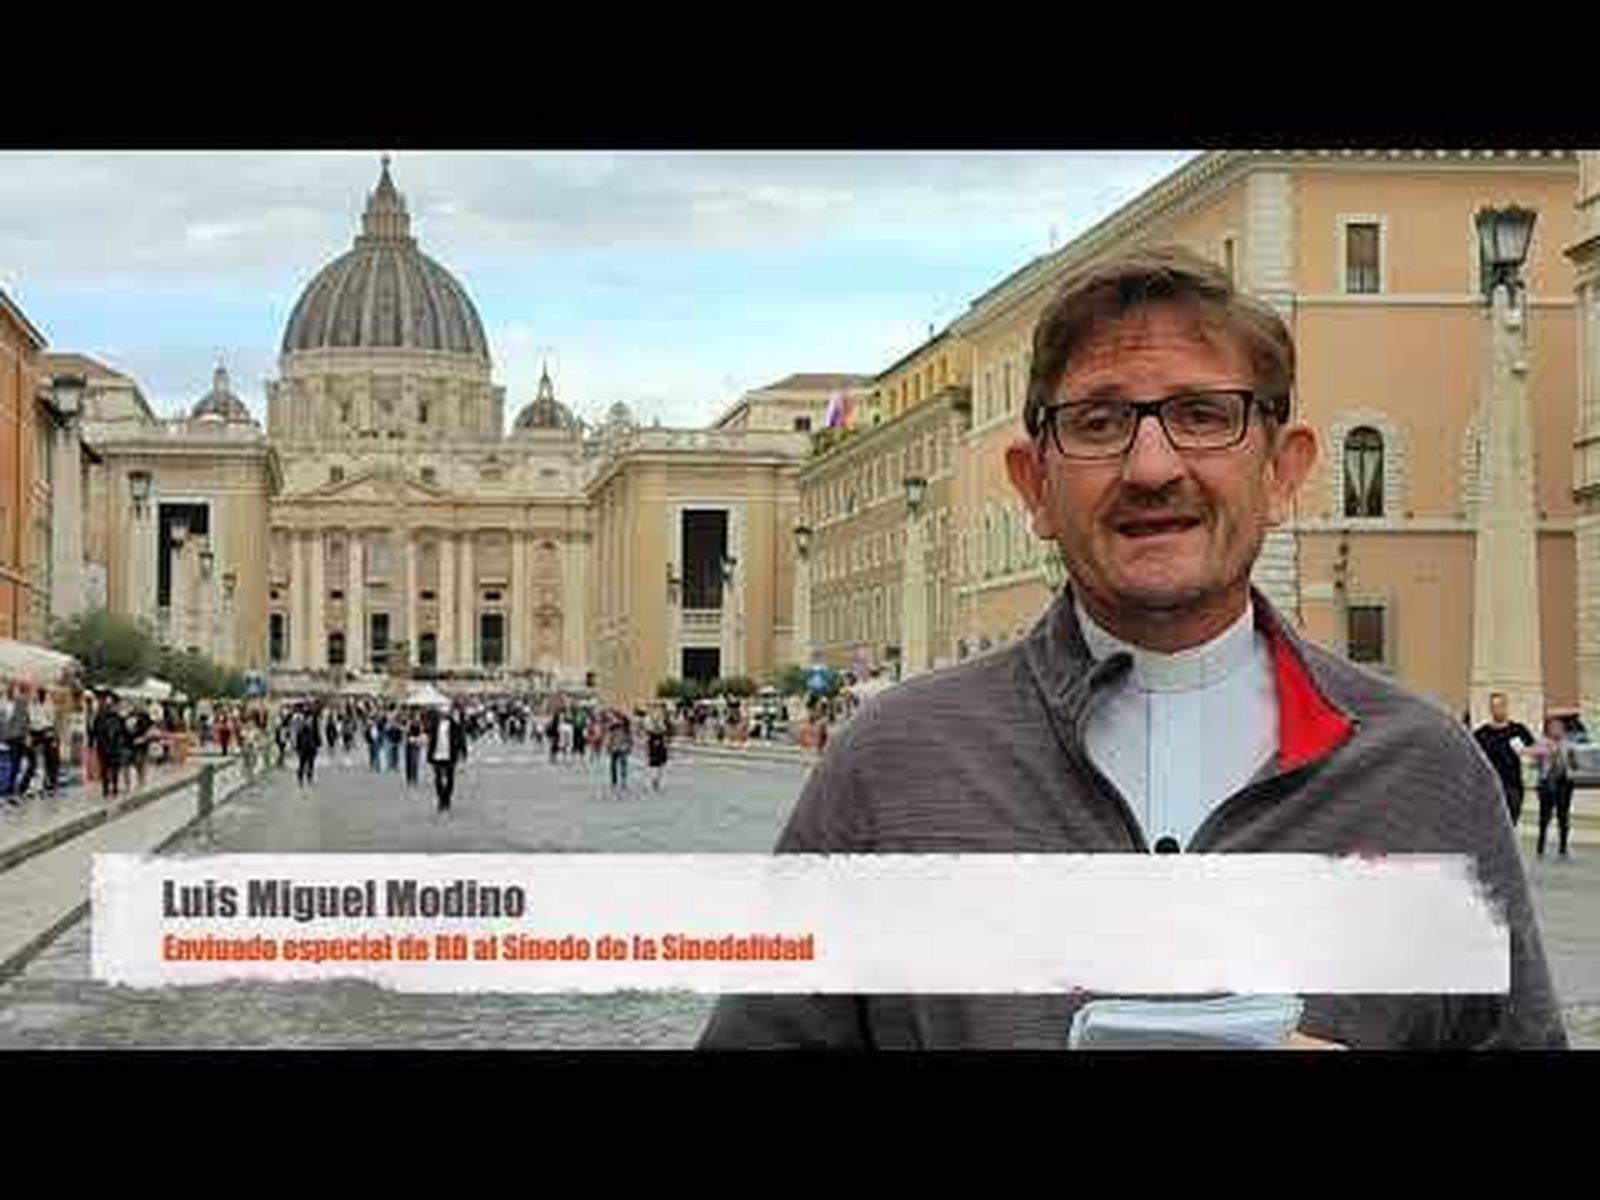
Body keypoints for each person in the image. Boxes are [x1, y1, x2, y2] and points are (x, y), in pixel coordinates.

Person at [699, 244, 1564, 1050]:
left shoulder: (1425, 771)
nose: (1153, 467)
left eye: (1202, 414)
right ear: (1034, 484)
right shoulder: (892, 765)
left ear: (1284, 470)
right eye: (1101, 421)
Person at [1474, 693, 1537, 828]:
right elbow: (1473, 758)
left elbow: (1535, 752)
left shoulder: (1518, 730)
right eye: (1494, 706)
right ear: (1490, 709)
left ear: (1506, 706)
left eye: (1500, 705)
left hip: (1513, 785)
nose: (1497, 709)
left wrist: (1527, 753)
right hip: (1490, 786)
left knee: (1510, 823)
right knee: (1492, 824)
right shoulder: (1481, 734)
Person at [1531, 715, 1576, 858]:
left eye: (1559, 727)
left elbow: (1574, 764)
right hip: (1546, 783)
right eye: (1553, 727)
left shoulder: (1568, 745)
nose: (1556, 730)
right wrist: (1541, 756)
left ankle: (1563, 847)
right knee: (1544, 816)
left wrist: (1567, 761)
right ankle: (1540, 846)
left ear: (1563, 730)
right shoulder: (1541, 743)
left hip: (1564, 783)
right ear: (1548, 729)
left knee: (1563, 816)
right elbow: (1534, 764)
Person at [90, 691, 130, 801]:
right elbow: (93, 732)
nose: (108, 707)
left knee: (113, 768)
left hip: (114, 747)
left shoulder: (118, 718)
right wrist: (91, 743)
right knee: (105, 768)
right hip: (105, 746)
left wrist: (127, 743)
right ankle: (107, 788)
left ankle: (113, 787)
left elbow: (124, 732)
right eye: (107, 705)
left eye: (110, 705)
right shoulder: (100, 718)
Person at [428, 706, 468, 814]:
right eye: (442, 713)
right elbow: (431, 739)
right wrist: (429, 755)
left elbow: (461, 738)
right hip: (437, 754)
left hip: (450, 754)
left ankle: (447, 798)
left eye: (445, 713)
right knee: (438, 779)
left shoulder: (455, 725)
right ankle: (441, 799)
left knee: (450, 779)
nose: (443, 715)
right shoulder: (434, 724)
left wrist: (463, 753)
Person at [606, 709, 634, 792]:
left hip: (622, 748)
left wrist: (629, 746)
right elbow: (610, 738)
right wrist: (608, 746)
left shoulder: (626, 728)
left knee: (622, 765)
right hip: (615, 747)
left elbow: (630, 738)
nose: (619, 721)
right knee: (614, 766)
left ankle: (623, 781)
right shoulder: (613, 727)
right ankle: (615, 781)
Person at [645, 707, 670, 791]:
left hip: (653, 741)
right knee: (658, 763)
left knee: (655, 762)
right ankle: (656, 779)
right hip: (657, 740)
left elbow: (647, 729)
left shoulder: (648, 719)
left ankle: (655, 778)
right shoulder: (659, 720)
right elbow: (664, 729)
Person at [294, 711, 320, 787]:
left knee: (311, 765)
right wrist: (298, 748)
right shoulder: (301, 728)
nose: (309, 720)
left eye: (310, 719)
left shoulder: (313, 727)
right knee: (302, 764)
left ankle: (309, 778)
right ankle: (300, 778)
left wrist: (317, 745)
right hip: (303, 749)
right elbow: (298, 738)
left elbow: (316, 736)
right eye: (308, 719)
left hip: (311, 748)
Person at [404, 715, 424, 787]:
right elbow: (406, 733)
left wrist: (419, 739)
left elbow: (421, 732)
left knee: (414, 762)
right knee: (408, 762)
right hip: (408, 744)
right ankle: (409, 779)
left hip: (416, 744)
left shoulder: (419, 724)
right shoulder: (408, 723)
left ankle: (414, 778)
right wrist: (408, 726)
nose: (417, 718)